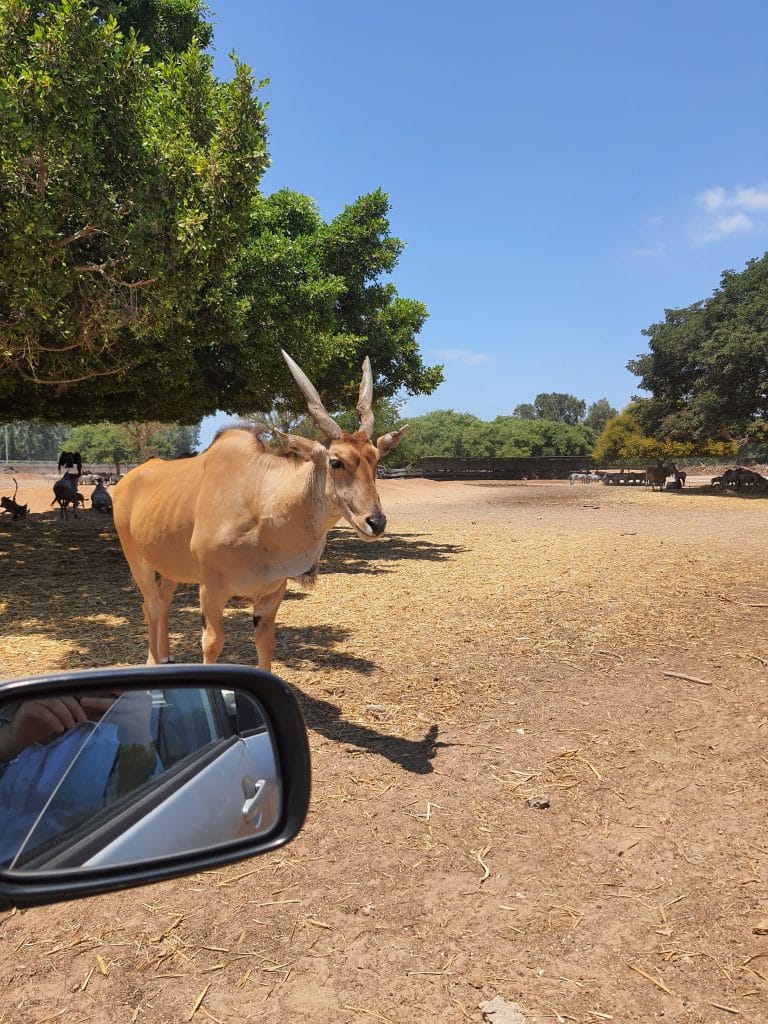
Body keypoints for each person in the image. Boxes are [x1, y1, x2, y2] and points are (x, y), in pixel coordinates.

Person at [0, 690, 157, 867]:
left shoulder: (124, 732)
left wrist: (137, 736)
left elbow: (145, 827)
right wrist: (9, 741)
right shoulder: (7, 704)